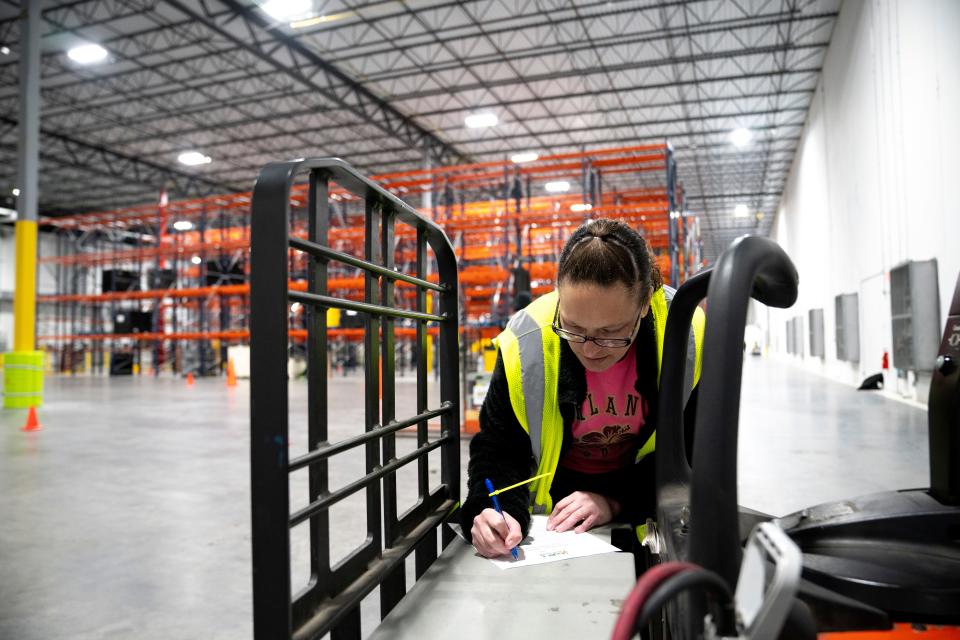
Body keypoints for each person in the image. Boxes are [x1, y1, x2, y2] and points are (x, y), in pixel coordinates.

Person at [459, 218, 705, 558]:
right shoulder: (527, 341)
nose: (590, 348)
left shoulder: (686, 336)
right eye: (573, 328)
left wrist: (614, 500)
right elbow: (499, 449)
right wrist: (492, 509)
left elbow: (695, 456)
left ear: (645, 302)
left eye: (611, 332)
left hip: (650, 514)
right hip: (554, 523)